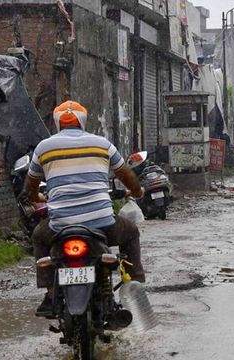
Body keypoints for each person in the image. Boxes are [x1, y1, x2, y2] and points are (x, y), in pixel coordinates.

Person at [24, 100, 146, 317]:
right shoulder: (102, 144)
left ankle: (50, 293)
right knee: (131, 233)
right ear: (83, 121)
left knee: (38, 236)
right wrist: (136, 192)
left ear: (57, 122)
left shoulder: (44, 147)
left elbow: (30, 185)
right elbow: (126, 174)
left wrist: (38, 197)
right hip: (102, 223)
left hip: (60, 225)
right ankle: (133, 286)